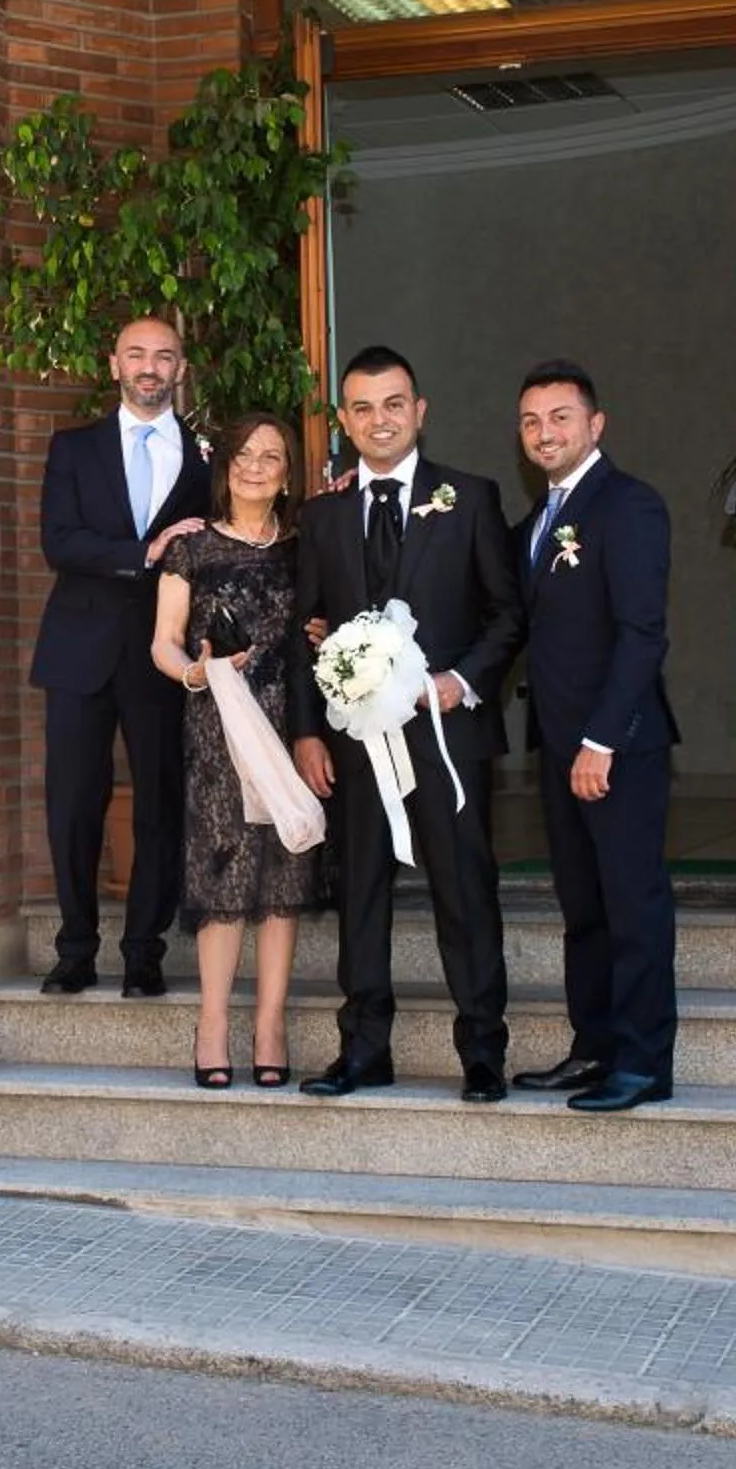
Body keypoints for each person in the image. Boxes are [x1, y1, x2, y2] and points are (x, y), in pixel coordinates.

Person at [287, 346, 522, 1101]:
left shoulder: (473, 498)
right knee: (359, 892)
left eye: (393, 404)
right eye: (361, 407)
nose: (378, 419)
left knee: (465, 892)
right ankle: (363, 1049)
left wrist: (461, 681)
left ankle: (483, 1051)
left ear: (419, 411)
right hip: (354, 744)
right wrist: (307, 732)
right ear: (345, 422)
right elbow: (304, 630)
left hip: (446, 739)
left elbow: (507, 614)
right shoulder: (322, 516)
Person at [508, 361, 682, 1112]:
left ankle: (643, 1063)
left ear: (595, 424)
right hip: (555, 742)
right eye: (532, 422)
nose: (546, 433)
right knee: (582, 905)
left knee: (632, 903)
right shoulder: (533, 524)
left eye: (560, 418)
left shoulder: (629, 506)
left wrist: (602, 741)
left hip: (618, 749)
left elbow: (643, 635)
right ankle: (594, 1048)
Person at [30, 316, 209, 996]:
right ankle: (76, 947)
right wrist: (145, 553)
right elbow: (61, 542)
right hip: (78, 650)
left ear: (180, 369)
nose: (150, 367)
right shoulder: (73, 449)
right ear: (114, 364)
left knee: (161, 804)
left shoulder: (207, 457)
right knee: (73, 803)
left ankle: (144, 951)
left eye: (164, 356)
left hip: (164, 657)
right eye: (136, 353)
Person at [148, 413, 321, 1088]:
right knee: (223, 874)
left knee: (284, 874)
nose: (255, 466)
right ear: (225, 465)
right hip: (218, 726)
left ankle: (271, 1023)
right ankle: (214, 1023)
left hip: (289, 727)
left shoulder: (304, 545)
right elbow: (162, 640)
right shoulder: (191, 547)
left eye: (271, 457)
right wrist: (194, 672)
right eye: (245, 454)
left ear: (287, 473)